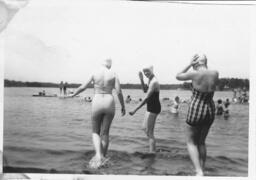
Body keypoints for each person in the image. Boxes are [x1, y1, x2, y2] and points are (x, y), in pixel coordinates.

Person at [67, 59, 126, 168]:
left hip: (97, 101)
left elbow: (83, 87)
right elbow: (118, 92)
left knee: (95, 132)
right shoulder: (114, 74)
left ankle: (98, 156)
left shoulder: (94, 72)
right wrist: (123, 106)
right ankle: (103, 158)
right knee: (105, 133)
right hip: (109, 101)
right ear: (110, 64)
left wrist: (73, 94)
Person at [176, 54, 219, 176]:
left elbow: (178, 76)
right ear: (206, 62)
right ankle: (203, 169)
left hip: (196, 108)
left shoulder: (194, 74)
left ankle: (198, 171)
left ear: (196, 63)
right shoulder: (215, 73)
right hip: (210, 108)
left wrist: (189, 64)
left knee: (191, 142)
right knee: (201, 142)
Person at [129, 65, 161, 154]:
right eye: (144, 72)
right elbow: (144, 90)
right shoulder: (150, 80)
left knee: (150, 133)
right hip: (150, 107)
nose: (146, 73)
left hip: (154, 108)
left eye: (147, 71)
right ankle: (153, 148)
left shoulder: (154, 82)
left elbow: (146, 98)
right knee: (144, 128)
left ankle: (152, 152)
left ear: (152, 70)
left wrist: (135, 109)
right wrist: (141, 79)